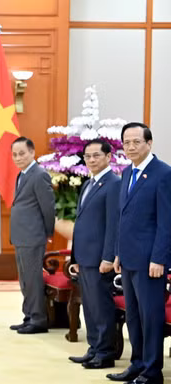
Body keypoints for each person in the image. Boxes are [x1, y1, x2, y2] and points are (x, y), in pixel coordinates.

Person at [108, 122, 171, 384]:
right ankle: (137, 364)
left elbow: (166, 222)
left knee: (151, 316)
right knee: (133, 315)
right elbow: (125, 218)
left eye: (136, 142)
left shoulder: (163, 174)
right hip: (129, 259)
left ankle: (153, 371)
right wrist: (118, 253)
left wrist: (159, 258)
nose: (131, 147)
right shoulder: (127, 173)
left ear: (149, 143)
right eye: (126, 142)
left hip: (150, 262)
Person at [68, 139, 120, 368]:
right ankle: (94, 348)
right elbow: (80, 224)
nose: (91, 160)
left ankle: (106, 353)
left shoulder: (113, 183)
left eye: (96, 155)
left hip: (100, 259)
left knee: (102, 307)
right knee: (89, 306)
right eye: (87, 156)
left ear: (109, 157)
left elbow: (113, 225)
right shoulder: (88, 184)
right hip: (85, 258)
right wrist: (75, 258)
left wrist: (108, 257)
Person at [9, 136, 55, 334]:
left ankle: (38, 319)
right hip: (21, 236)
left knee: (33, 279)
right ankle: (28, 316)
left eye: (22, 153)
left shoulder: (39, 175)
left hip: (33, 236)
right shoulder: (23, 174)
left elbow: (48, 207)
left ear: (32, 153)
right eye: (14, 154)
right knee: (25, 279)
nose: (18, 158)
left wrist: (48, 231)